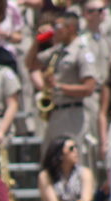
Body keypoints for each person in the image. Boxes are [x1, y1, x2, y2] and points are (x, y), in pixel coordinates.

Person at [26, 11, 99, 153]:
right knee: (50, 158)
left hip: (74, 112)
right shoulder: (57, 51)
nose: (54, 31)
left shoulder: (82, 51)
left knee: (73, 156)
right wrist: (37, 40)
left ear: (70, 28)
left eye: (57, 26)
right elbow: (31, 63)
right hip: (56, 111)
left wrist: (58, 86)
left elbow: (89, 87)